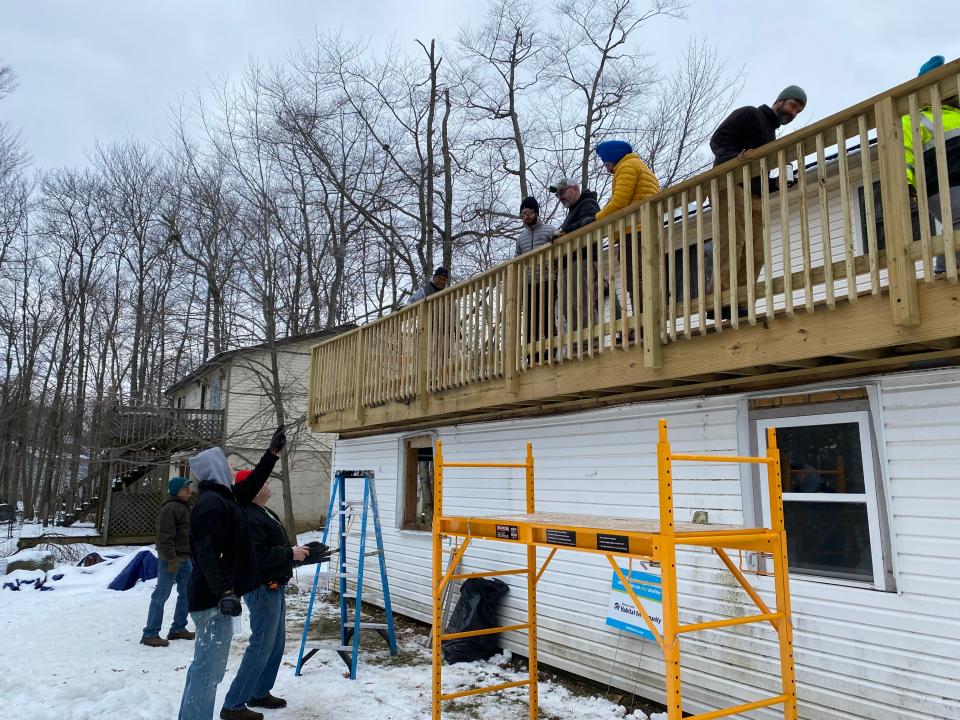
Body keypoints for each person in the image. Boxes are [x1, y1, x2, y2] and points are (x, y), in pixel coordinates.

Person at [178, 427, 286, 720]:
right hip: (212, 600)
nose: (234, 468)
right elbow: (207, 555)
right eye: (229, 465)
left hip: (219, 598)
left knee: (208, 668)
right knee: (207, 669)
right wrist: (224, 591)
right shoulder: (211, 505)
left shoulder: (225, 498)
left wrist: (272, 454)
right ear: (216, 469)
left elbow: (253, 486)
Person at [219, 471, 310, 718]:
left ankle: (259, 691)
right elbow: (257, 557)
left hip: (276, 584)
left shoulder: (264, 512)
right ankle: (233, 704)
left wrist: (297, 555)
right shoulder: (248, 516)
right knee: (261, 644)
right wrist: (289, 554)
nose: (269, 484)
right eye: (266, 482)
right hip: (262, 587)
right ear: (255, 488)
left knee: (276, 643)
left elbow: (275, 548)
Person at [709, 86, 806, 313]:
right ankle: (719, 300)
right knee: (733, 241)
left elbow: (757, 176)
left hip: (753, 193)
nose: (793, 113)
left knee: (757, 250)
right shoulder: (750, 114)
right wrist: (736, 159)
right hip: (729, 182)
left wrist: (774, 184)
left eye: (798, 111)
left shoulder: (771, 136)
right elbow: (718, 138)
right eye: (793, 106)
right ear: (780, 100)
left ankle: (740, 301)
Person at [594, 140, 661, 329]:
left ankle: (642, 322)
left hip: (635, 229)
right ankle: (646, 319)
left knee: (635, 278)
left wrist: (597, 218)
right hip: (642, 226)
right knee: (644, 275)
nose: (606, 168)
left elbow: (619, 201)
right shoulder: (636, 165)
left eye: (606, 163)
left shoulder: (627, 167)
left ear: (614, 157)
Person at [903, 55, 960, 274]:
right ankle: (944, 272)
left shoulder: (956, 114)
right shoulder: (914, 118)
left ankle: (945, 270)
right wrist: (906, 184)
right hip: (940, 182)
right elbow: (904, 154)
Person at [140, 476, 194, 647]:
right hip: (171, 559)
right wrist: (170, 559)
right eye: (185, 487)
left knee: (186, 594)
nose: (188, 489)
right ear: (176, 490)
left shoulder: (185, 507)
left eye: (188, 486)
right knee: (161, 595)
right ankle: (150, 633)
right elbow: (163, 537)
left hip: (185, 558)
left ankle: (178, 628)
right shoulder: (170, 508)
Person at [550, 177, 600, 334]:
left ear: (575, 188)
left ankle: (589, 343)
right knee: (568, 308)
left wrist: (565, 232)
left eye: (562, 192)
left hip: (581, 260)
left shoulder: (588, 203)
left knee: (582, 304)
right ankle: (578, 344)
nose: (560, 197)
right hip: (568, 266)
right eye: (557, 195)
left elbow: (591, 222)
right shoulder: (572, 211)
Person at [516, 196, 557, 359]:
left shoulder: (549, 230)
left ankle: (548, 353)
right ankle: (531, 355)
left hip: (547, 280)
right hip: (529, 283)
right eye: (523, 214)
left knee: (547, 317)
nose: (526, 217)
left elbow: (558, 247)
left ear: (536, 212)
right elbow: (517, 260)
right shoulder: (521, 238)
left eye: (529, 212)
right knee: (530, 319)